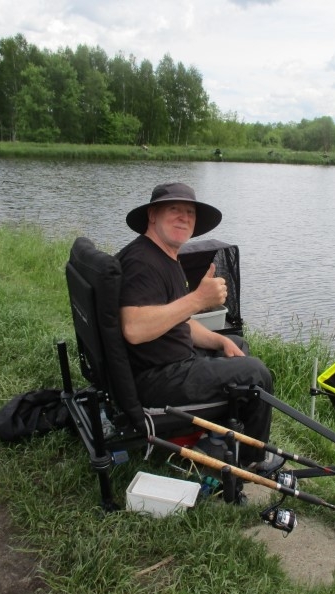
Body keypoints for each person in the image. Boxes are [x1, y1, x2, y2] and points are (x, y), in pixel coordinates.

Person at [117, 182, 281, 472]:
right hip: (156, 380)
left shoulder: (163, 254)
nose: (184, 217)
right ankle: (251, 462)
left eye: (190, 212)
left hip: (170, 362)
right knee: (256, 374)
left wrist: (219, 341)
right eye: (174, 209)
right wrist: (198, 299)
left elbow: (178, 319)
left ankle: (217, 435)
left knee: (236, 345)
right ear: (152, 215)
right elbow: (134, 328)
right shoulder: (142, 263)